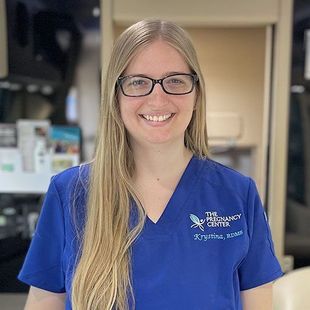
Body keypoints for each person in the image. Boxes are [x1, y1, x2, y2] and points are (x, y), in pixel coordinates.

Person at [18, 19, 283, 310]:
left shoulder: (237, 194)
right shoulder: (70, 193)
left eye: (176, 81)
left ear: (196, 94)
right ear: (115, 97)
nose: (158, 98)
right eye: (138, 82)